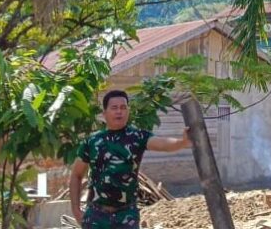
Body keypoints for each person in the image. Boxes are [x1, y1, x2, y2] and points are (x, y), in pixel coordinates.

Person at [69, 90, 193, 229]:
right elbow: (76, 175)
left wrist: (182, 142)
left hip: (126, 215)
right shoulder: (92, 142)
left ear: (128, 111)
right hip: (96, 216)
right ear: (104, 113)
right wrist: (75, 209)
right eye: (114, 108)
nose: (119, 112)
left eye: (123, 107)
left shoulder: (137, 137)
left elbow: (162, 144)